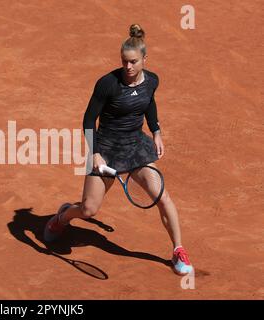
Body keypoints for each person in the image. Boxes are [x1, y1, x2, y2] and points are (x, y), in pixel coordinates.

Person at [43, 24, 193, 275]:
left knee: (162, 197)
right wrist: (95, 152)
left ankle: (178, 250)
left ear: (145, 59)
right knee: (89, 210)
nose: (128, 67)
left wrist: (156, 130)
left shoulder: (152, 81)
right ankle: (62, 217)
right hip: (107, 149)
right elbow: (89, 120)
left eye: (133, 62)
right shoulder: (107, 84)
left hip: (135, 148)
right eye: (124, 62)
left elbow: (149, 104)